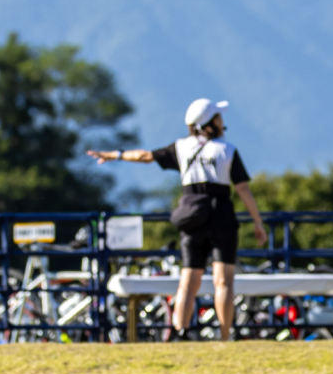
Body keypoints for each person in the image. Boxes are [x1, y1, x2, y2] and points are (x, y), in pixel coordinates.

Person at [86, 99, 270, 340]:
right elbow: (243, 189)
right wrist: (257, 222)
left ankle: (179, 334)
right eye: (218, 117)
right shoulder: (226, 150)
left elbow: (145, 156)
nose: (221, 121)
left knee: (188, 282)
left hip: (192, 217)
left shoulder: (181, 147)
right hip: (221, 215)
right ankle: (225, 337)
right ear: (209, 123)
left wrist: (115, 154)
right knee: (224, 282)